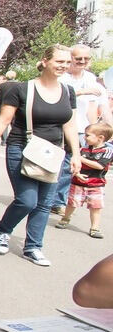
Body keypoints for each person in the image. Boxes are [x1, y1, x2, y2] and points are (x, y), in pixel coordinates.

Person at [0, 44, 82, 267]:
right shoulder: (21, 89)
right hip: (23, 148)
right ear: (45, 61)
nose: (64, 66)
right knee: (27, 200)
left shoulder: (68, 91)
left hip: (53, 153)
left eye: (67, 62)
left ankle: (33, 247)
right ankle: (3, 230)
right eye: (59, 61)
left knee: (44, 203)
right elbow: (4, 120)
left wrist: (75, 154)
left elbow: (70, 125)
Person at [51, 44, 110, 214]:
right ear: (71, 59)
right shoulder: (62, 78)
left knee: (72, 164)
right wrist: (83, 92)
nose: (82, 62)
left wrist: (108, 128)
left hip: (83, 130)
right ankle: (49, 197)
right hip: (60, 127)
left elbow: (101, 106)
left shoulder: (92, 78)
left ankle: (58, 201)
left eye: (86, 58)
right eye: (78, 59)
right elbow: (58, 95)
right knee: (57, 163)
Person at [55, 123, 113, 238]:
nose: (85, 138)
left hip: (96, 184)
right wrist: (77, 173)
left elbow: (100, 166)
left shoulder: (107, 151)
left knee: (95, 206)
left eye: (88, 135)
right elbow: (74, 164)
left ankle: (95, 228)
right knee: (72, 203)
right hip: (78, 182)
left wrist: (80, 158)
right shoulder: (82, 149)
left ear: (100, 138)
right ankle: (65, 218)